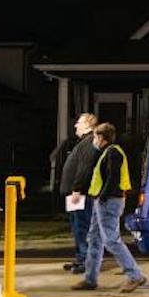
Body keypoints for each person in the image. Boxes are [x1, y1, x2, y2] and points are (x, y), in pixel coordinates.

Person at [73, 122, 147, 293]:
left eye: (96, 137)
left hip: (109, 202)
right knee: (94, 238)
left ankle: (135, 276)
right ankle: (90, 279)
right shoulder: (109, 152)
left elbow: (112, 178)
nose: (94, 141)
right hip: (103, 200)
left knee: (111, 240)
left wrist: (103, 197)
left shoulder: (113, 153)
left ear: (101, 137)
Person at [58, 113, 100, 274]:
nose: (75, 125)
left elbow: (85, 169)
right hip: (75, 193)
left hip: (79, 194)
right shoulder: (84, 142)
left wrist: (77, 189)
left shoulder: (89, 142)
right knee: (77, 226)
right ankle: (81, 257)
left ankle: (86, 261)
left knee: (82, 226)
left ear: (89, 126)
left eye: (79, 123)